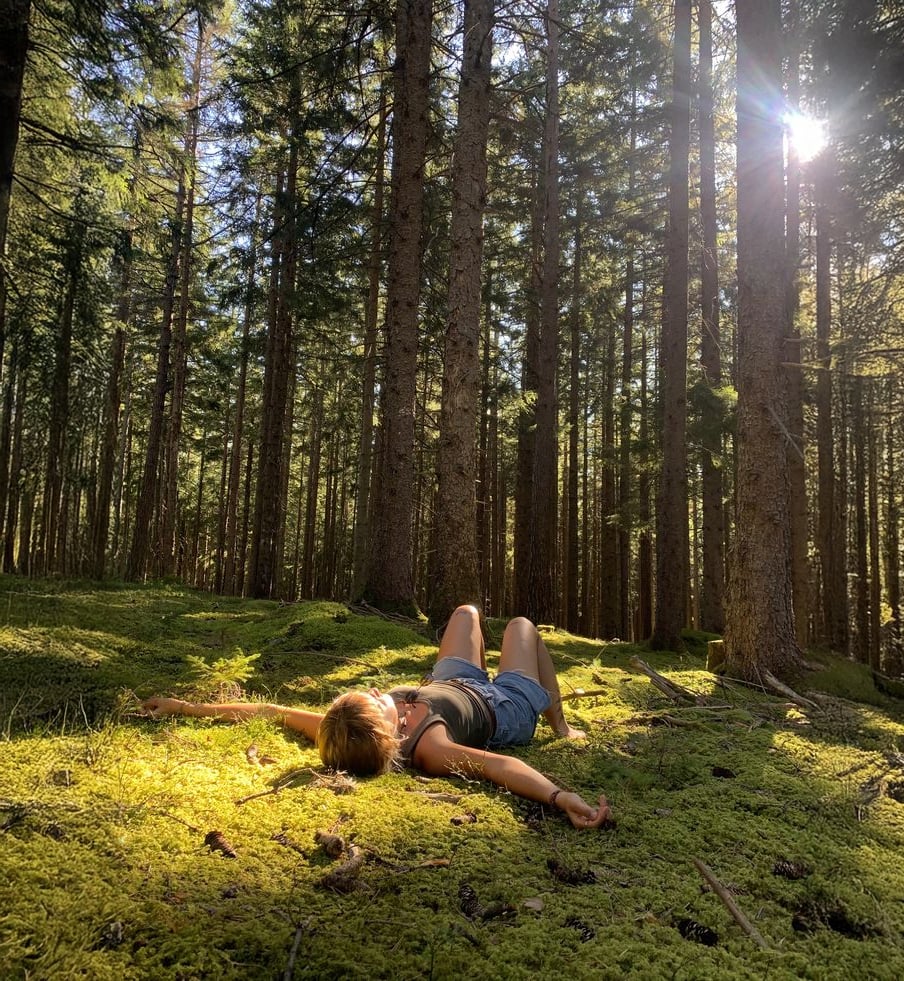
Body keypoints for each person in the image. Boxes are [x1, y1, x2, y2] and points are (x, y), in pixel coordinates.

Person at [141, 605, 611, 830]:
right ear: (389, 728)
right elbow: (500, 768)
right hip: (501, 707)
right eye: (376, 699)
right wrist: (559, 795)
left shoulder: (338, 725)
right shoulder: (431, 748)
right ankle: (560, 723)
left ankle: (493, 667)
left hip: (448, 681)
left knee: (466, 614)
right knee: (522, 627)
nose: (374, 689)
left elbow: (272, 711)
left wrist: (187, 708)